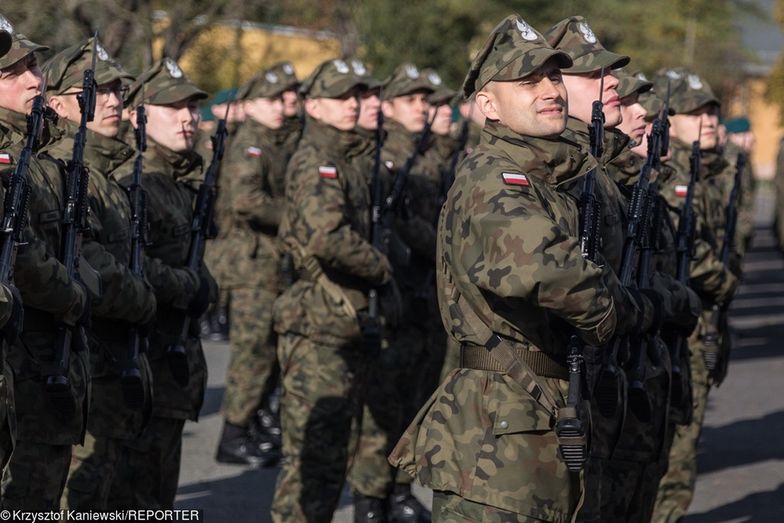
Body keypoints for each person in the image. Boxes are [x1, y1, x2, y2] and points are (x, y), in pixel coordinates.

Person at [390, 14, 661, 522]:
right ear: (487, 105)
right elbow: (547, 271)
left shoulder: (551, 175)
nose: (549, 90)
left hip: (543, 418)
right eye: (528, 80)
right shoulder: (494, 178)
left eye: (555, 76)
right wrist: (639, 307)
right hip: (496, 439)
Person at [270, 58, 392, 522]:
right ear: (314, 106)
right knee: (310, 461)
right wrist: (381, 267)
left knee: (332, 457)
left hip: (342, 320)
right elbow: (326, 235)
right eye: (342, 97)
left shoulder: (346, 159)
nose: (354, 105)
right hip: (316, 323)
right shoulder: (317, 161)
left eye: (358, 96)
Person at [42, 37, 157, 510]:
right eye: (94, 92)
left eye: (117, 92)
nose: (111, 101)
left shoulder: (109, 168)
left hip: (111, 366)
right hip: (81, 362)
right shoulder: (69, 167)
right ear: (57, 105)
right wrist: (144, 294)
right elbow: (88, 262)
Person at [107, 57, 216, 509]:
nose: (188, 118)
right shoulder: (135, 179)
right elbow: (128, 262)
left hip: (170, 362)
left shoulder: (178, 177)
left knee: (157, 493)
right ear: (138, 115)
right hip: (140, 360)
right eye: (173, 108)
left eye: (192, 108)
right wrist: (187, 285)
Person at [0, 15, 92, 509]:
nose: (35, 79)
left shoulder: (44, 147)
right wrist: (73, 293)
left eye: (35, 65)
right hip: (23, 355)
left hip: (49, 358)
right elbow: (24, 256)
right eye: (15, 71)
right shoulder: (9, 153)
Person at [651, 67, 740, 523]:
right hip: (677, 323)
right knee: (675, 443)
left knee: (685, 437)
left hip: (703, 317)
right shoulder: (670, 172)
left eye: (711, 112)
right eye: (694, 112)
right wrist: (723, 279)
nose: (707, 120)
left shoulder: (708, 171)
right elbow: (683, 248)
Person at [215, 66, 295, 467]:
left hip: (269, 261)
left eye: (283, 99)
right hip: (251, 265)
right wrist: (296, 216)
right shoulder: (251, 143)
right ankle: (233, 432)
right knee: (252, 351)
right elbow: (246, 201)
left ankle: (252, 424)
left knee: (268, 350)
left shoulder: (272, 140)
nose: (281, 106)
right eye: (271, 99)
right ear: (252, 105)